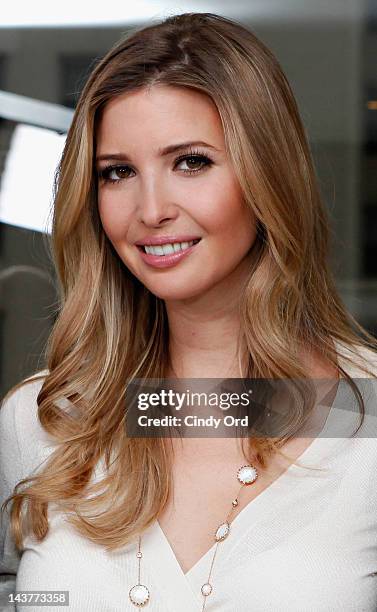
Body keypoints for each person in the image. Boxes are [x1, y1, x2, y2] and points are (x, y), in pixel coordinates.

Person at [1, 11, 377, 612]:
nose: (151, 210)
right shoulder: (44, 420)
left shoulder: (365, 417)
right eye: (117, 173)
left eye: (191, 162)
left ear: (267, 174)